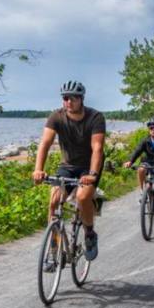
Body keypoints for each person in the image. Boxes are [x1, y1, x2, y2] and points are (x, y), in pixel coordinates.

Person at [32, 81, 106, 262]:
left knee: (82, 197)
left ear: (81, 99)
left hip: (89, 167)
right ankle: (54, 246)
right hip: (67, 166)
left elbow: (97, 148)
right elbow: (45, 143)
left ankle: (89, 234)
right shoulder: (56, 117)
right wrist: (38, 169)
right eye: (65, 98)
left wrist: (92, 175)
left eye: (73, 98)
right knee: (54, 200)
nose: (69, 102)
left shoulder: (95, 117)